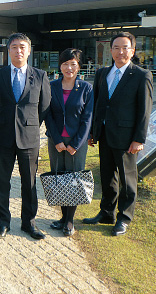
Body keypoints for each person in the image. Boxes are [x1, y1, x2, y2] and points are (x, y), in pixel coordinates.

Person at [83, 32, 153, 236]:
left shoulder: (141, 75)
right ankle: (106, 213)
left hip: (127, 138)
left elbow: (144, 111)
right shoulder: (102, 73)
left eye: (125, 48)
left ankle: (124, 217)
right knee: (107, 177)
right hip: (104, 134)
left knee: (127, 179)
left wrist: (139, 139)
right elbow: (96, 105)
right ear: (110, 50)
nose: (120, 52)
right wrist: (93, 132)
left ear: (132, 51)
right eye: (116, 47)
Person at [0, 33, 50, 240]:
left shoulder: (40, 75)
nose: (18, 51)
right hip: (4, 136)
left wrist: (29, 125)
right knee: (2, 183)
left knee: (29, 183)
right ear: (8, 50)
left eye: (22, 47)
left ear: (29, 50)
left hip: (30, 138)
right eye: (14, 47)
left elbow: (44, 108)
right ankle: (2, 223)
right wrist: (7, 121)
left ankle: (29, 223)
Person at [44, 49, 93, 236]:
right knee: (59, 177)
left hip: (76, 142)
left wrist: (76, 144)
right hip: (56, 141)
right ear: (60, 66)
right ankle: (62, 217)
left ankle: (70, 220)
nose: (69, 67)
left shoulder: (86, 88)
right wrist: (56, 139)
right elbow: (47, 114)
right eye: (65, 63)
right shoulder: (52, 86)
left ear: (79, 66)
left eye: (73, 64)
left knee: (74, 179)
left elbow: (87, 119)